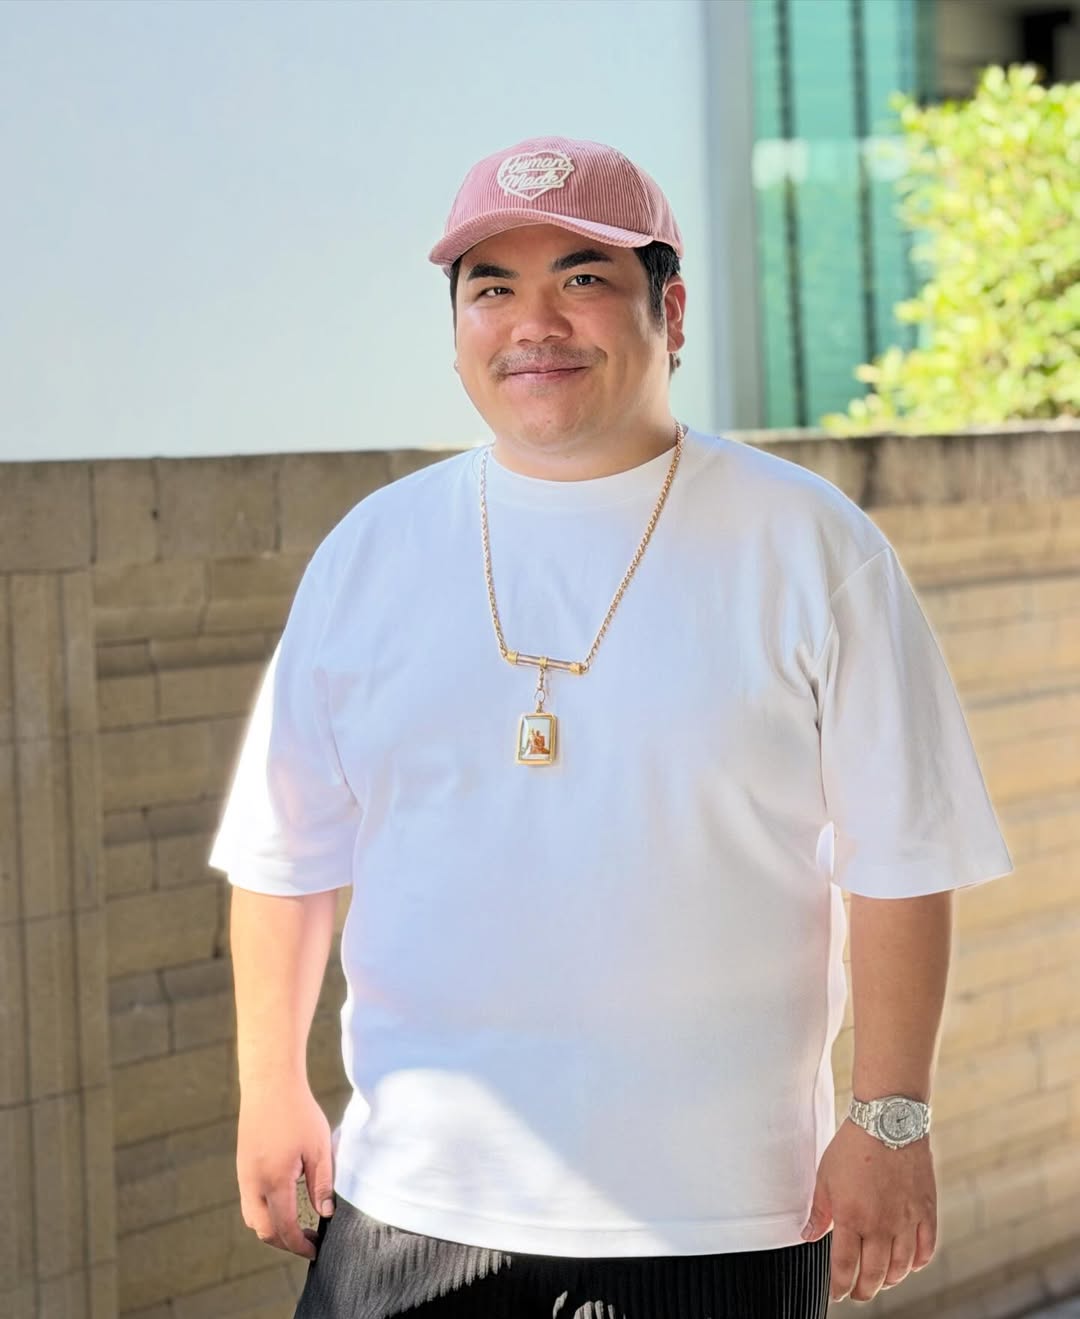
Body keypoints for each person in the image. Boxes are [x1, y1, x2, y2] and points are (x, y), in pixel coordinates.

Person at [209, 136, 1014, 1319]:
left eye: (582, 278)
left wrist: (889, 1116)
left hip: (726, 1215)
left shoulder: (810, 545)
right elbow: (286, 849)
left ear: (669, 311)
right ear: (457, 328)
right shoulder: (370, 552)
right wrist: (270, 1083)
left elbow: (902, 851)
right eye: (492, 288)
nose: (533, 322)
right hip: (410, 1203)